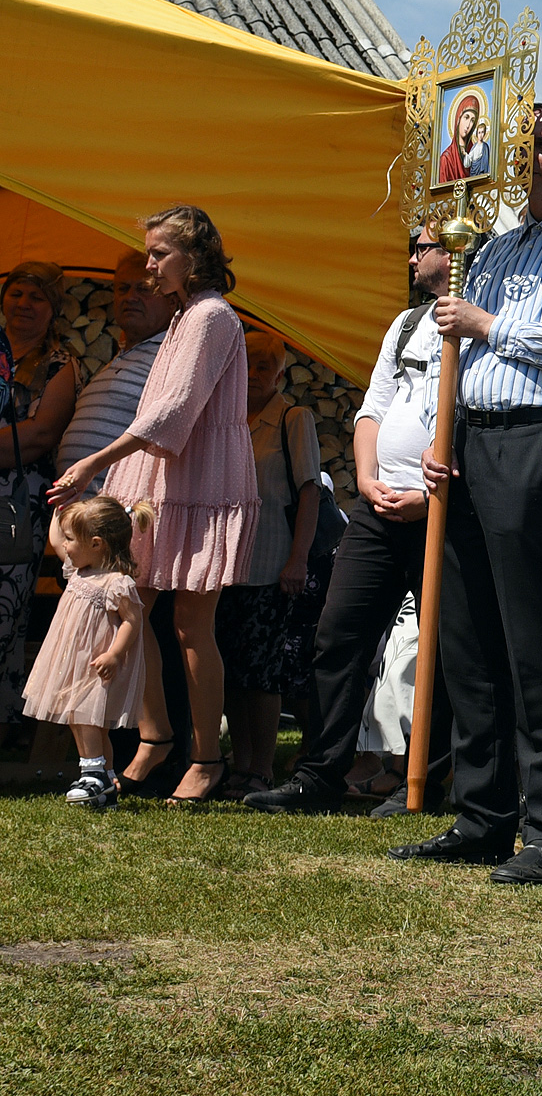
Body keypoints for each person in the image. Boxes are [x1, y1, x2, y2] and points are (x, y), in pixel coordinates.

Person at [398, 104, 542, 884]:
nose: (526, 154)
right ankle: (482, 815)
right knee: (466, 638)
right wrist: (443, 434)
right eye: (520, 141)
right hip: (469, 437)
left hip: (537, 437)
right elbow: (454, 345)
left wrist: (486, 322)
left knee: (536, 640)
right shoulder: (489, 247)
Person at [46, 206, 259, 805]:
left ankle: (207, 757)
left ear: (194, 257)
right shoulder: (186, 317)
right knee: (127, 610)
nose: (149, 266)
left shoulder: (214, 317)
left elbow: (175, 411)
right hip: (156, 483)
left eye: (159, 254)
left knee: (193, 625)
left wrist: (90, 463)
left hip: (200, 483)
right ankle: (155, 736)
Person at [245, 230, 460, 818]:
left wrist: (432, 494)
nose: (414, 258)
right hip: (376, 507)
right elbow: (373, 408)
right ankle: (320, 775)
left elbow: (484, 418)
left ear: (462, 248)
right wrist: (365, 480)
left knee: (444, 647)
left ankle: (427, 781)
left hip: (443, 509)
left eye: (428, 245)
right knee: (338, 635)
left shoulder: (480, 325)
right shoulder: (407, 324)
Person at [214, 325, 321, 796]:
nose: (254, 373)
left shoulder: (293, 418)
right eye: (248, 363)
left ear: (280, 373)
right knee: (232, 670)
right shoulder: (226, 418)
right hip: (225, 564)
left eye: (264, 365)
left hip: (271, 564)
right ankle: (241, 762)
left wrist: (297, 559)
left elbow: (310, 491)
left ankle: (260, 766)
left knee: (261, 673)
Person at [22, 495, 148, 808]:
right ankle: (103, 777)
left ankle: (93, 772)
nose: (63, 546)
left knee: (90, 718)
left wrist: (115, 654)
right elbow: (55, 536)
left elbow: (133, 621)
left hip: (96, 664)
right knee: (80, 719)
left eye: (70, 540)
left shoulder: (116, 583)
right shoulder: (77, 570)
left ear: (96, 544)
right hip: (72, 662)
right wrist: (59, 509)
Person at [0, 262, 80, 727]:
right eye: (17, 293)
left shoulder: (59, 364)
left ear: (53, 310)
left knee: (4, 607)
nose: (24, 304)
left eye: (37, 297)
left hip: (15, 500)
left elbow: (39, 434)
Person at [54, 252, 176, 491]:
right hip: (81, 509)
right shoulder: (119, 357)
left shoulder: (173, 357)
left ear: (171, 300)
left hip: (118, 512)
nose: (130, 297)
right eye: (122, 288)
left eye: (144, 289)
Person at [437, 91, 483, 184]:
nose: (468, 125)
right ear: (458, 118)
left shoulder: (475, 153)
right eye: (466, 117)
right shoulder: (446, 159)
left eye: (472, 120)